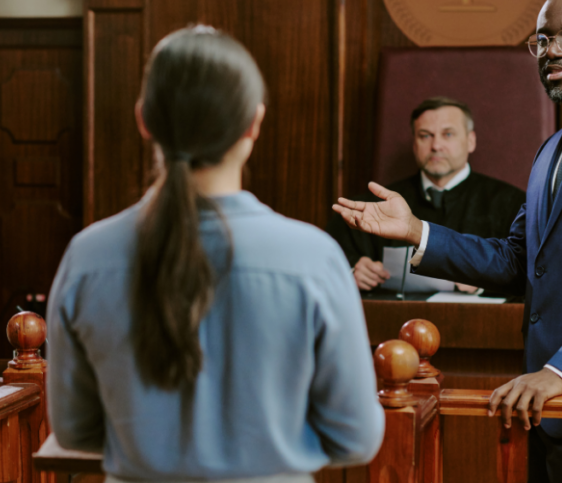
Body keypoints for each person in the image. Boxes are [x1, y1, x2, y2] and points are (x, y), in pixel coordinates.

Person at [333, 0, 562, 483]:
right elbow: (516, 261)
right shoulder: (552, 148)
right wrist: (418, 231)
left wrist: (558, 373)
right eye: (542, 39)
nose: (551, 51)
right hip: (538, 403)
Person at [47, 26, 383, 481]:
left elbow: (73, 430)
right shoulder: (313, 259)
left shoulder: (88, 257)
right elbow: (356, 438)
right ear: (254, 123)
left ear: (144, 118)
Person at [326, 97, 524, 293]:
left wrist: (485, 282)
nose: (436, 145)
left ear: (470, 141)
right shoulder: (377, 204)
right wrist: (352, 269)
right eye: (425, 136)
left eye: (448, 134)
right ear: (414, 144)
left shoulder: (512, 203)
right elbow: (328, 261)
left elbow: (530, 271)